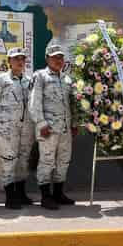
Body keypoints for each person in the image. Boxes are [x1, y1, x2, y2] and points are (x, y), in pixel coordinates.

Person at [29, 45, 77, 210]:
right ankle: (45, 196)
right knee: (47, 161)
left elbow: (71, 104)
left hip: (65, 128)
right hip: (48, 128)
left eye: (61, 57)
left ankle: (58, 193)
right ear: (47, 59)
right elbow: (34, 101)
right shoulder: (40, 76)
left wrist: (74, 124)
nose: (58, 60)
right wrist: (41, 123)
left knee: (64, 160)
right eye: (55, 57)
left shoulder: (66, 79)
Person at [0, 47, 35, 210]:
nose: (19, 61)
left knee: (23, 160)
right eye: (15, 59)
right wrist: (2, 122)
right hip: (7, 127)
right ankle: (10, 196)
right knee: (9, 160)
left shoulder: (29, 81)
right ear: (9, 61)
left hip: (26, 128)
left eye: (22, 58)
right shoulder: (0, 80)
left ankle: (21, 194)